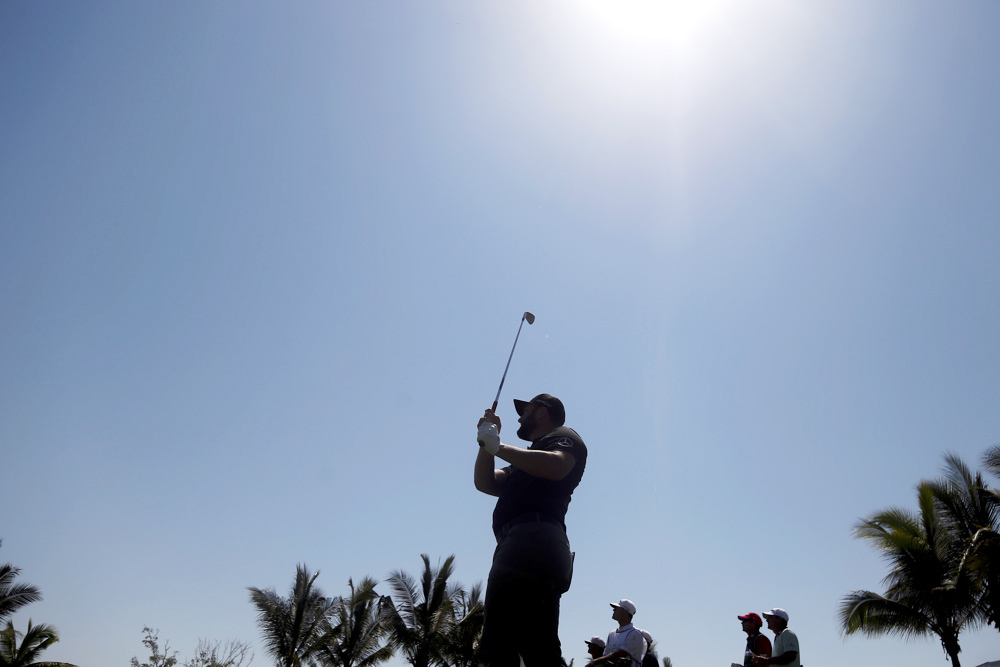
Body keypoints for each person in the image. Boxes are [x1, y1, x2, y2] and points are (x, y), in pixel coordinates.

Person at [474, 393, 588, 667]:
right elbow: (486, 483)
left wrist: (497, 445)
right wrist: (485, 443)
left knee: (498, 647)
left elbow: (558, 464)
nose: (519, 416)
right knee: (539, 650)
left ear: (541, 412)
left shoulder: (564, 435)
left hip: (530, 540)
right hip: (531, 545)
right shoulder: (524, 459)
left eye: (525, 410)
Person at [587, 599, 647, 667]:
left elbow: (621, 654)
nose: (614, 610)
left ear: (625, 612)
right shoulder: (611, 634)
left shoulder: (635, 633)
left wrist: (594, 662)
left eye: (617, 608)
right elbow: (605, 656)